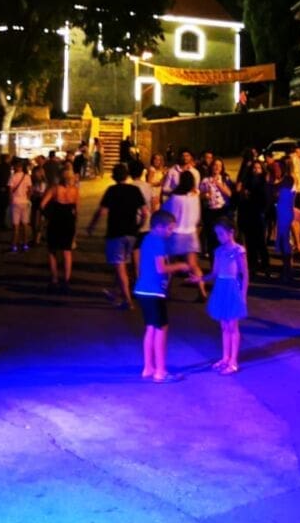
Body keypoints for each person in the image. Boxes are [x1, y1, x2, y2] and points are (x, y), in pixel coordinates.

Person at [135, 210, 194, 383]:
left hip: (143, 290)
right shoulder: (158, 242)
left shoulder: (147, 239)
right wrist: (181, 266)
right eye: (169, 228)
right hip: (154, 291)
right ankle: (160, 372)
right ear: (159, 227)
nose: (171, 232)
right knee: (161, 329)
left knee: (151, 328)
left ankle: (148, 367)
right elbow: (161, 268)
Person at [88, 162, 148, 309]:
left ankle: (128, 301)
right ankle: (117, 292)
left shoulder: (112, 191)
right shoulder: (134, 190)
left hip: (116, 233)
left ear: (114, 176)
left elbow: (102, 211)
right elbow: (145, 212)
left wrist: (92, 226)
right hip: (131, 233)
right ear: (126, 176)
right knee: (122, 265)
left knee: (120, 266)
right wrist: (139, 226)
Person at [195, 218, 249, 374]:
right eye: (217, 234)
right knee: (224, 326)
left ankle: (233, 361)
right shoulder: (218, 251)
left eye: (221, 234)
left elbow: (245, 274)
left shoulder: (239, 250)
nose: (219, 237)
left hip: (232, 288)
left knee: (232, 326)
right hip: (220, 288)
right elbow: (214, 273)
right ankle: (225, 357)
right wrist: (200, 278)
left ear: (231, 232)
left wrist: (243, 295)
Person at [163, 169, 206, 300]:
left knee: (170, 264)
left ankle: (166, 291)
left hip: (176, 235)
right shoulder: (195, 198)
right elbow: (197, 217)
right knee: (194, 265)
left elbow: (167, 213)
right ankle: (202, 291)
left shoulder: (175, 198)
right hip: (191, 234)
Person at [40, 165, 79, 292]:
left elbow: (42, 204)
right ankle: (66, 281)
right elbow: (76, 210)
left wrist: (47, 216)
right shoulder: (75, 191)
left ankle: (54, 279)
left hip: (55, 221)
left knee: (52, 251)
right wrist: (75, 227)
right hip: (69, 222)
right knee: (67, 251)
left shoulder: (55, 189)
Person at [235, 159, 270, 277]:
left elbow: (265, 199)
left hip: (259, 214)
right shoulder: (247, 181)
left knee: (260, 242)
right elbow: (240, 199)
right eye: (254, 168)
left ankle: (265, 265)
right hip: (248, 213)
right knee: (250, 242)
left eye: (258, 168)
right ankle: (253, 265)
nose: (256, 170)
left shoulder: (264, 182)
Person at [199, 158, 234, 261]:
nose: (217, 167)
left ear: (222, 168)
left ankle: (224, 262)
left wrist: (219, 184)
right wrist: (205, 195)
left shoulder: (225, 179)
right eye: (215, 165)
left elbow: (229, 194)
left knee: (223, 238)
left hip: (222, 212)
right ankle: (213, 263)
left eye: (219, 165)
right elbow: (199, 195)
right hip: (210, 211)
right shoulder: (205, 180)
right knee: (211, 238)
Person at [7, 160, 33, 253]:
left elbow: (10, 191)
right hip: (24, 202)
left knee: (16, 226)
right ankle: (25, 244)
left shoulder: (12, 177)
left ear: (15, 167)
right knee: (25, 225)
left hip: (15, 202)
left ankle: (14, 245)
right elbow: (30, 189)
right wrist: (28, 199)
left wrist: (10, 201)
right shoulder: (27, 177)